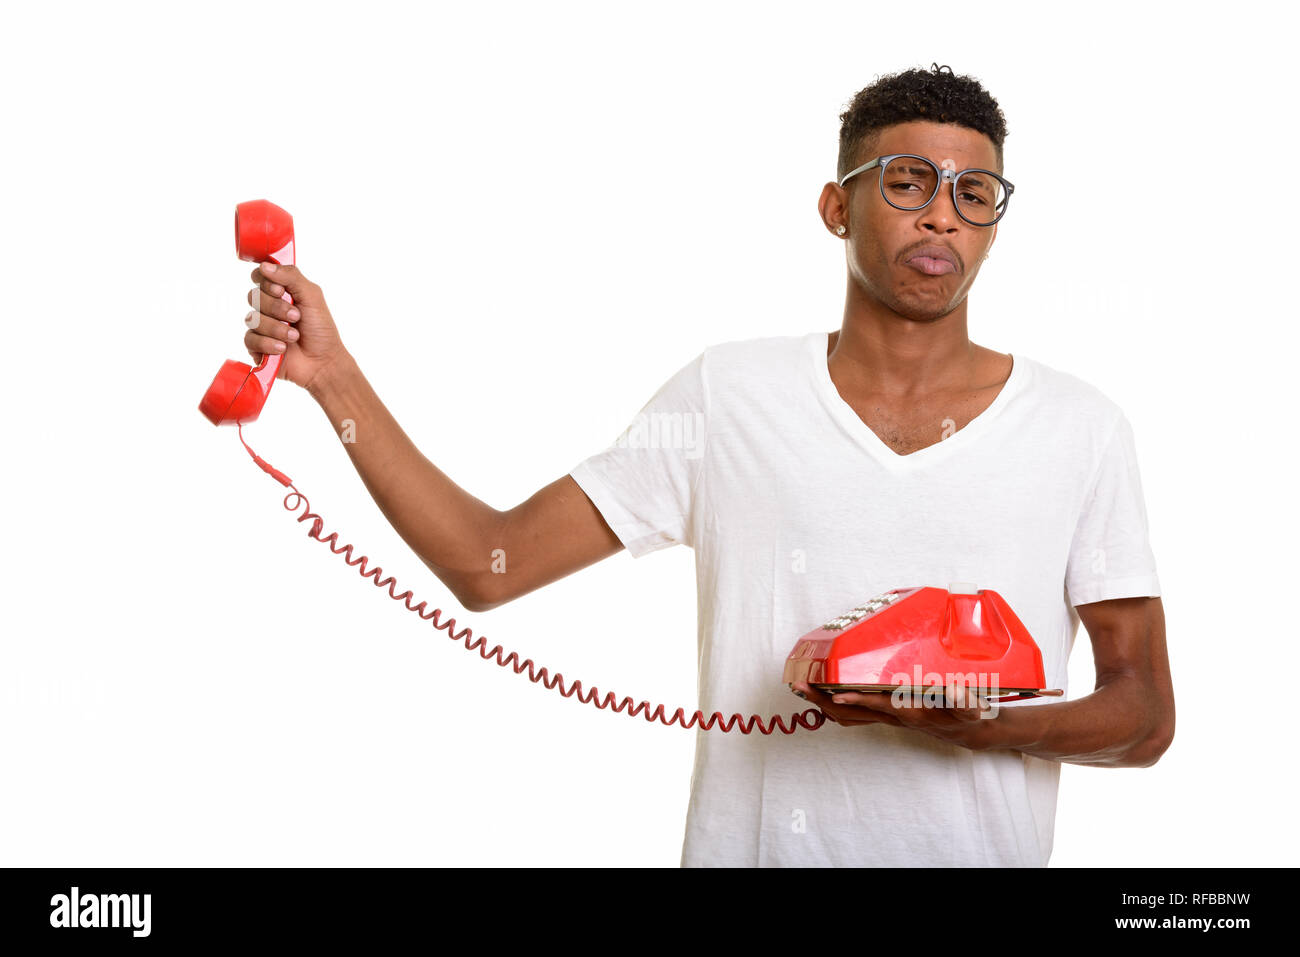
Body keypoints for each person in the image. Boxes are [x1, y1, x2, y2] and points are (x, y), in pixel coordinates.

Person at [238, 63, 1174, 867]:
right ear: (835, 205)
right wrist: (334, 379)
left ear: (994, 223)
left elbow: (1143, 715)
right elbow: (490, 563)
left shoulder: (1080, 428)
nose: (942, 215)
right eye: (907, 181)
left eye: (974, 194)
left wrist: (990, 726)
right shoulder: (726, 395)